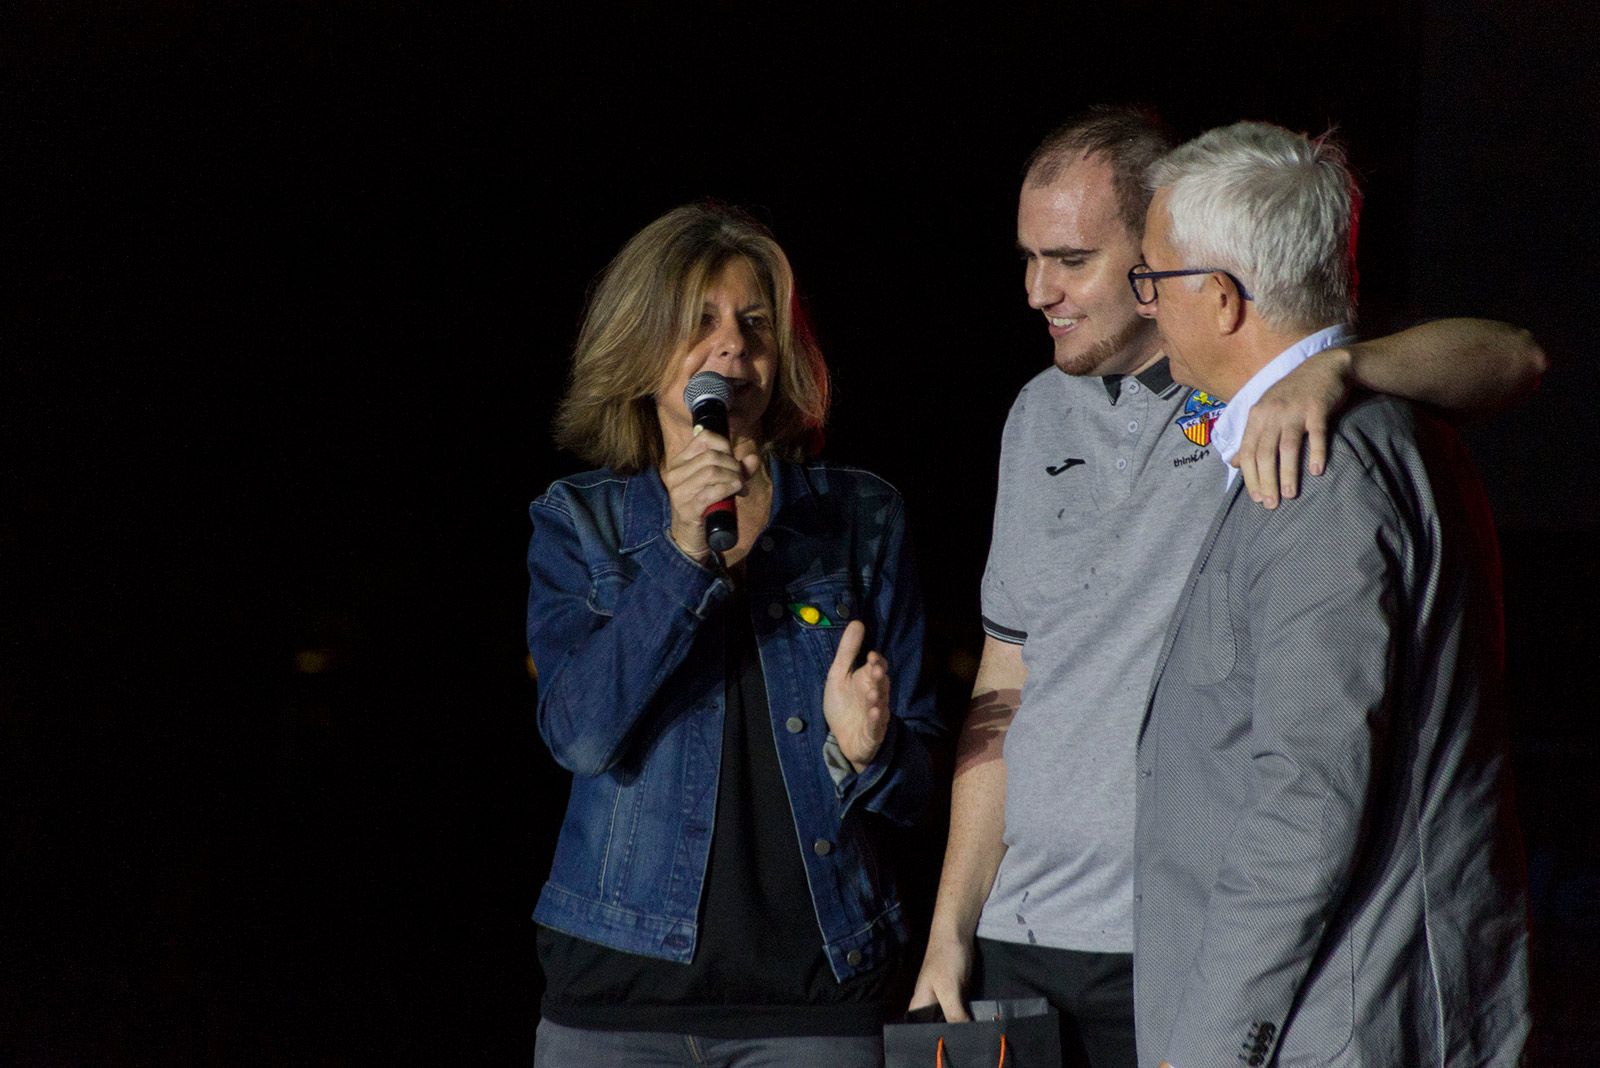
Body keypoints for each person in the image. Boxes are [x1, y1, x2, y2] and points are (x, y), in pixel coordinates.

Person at [908, 106, 1545, 1067]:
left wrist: (1338, 367)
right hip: (1040, 936)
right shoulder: (1040, 416)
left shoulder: (1298, 440)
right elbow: (1007, 683)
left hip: (1208, 949)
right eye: (1029, 257)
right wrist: (954, 922)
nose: (1042, 289)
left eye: (1082, 261)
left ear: (1199, 283)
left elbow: (1307, 791)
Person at [1129, 121, 1530, 1067]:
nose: (1145, 309)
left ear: (1222, 299)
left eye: (1153, 280)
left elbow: (1306, 802)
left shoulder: (1316, 470)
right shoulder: (1380, 427)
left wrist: (1214, 1047)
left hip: (1330, 1028)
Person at [526, 203, 944, 1065]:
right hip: (618, 1000)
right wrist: (684, 551)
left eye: (755, 324)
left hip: (814, 1000)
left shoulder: (860, 517)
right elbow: (578, 733)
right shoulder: (580, 522)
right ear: (641, 351)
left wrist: (870, 753)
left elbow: (922, 777)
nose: (733, 349)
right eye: (700, 324)